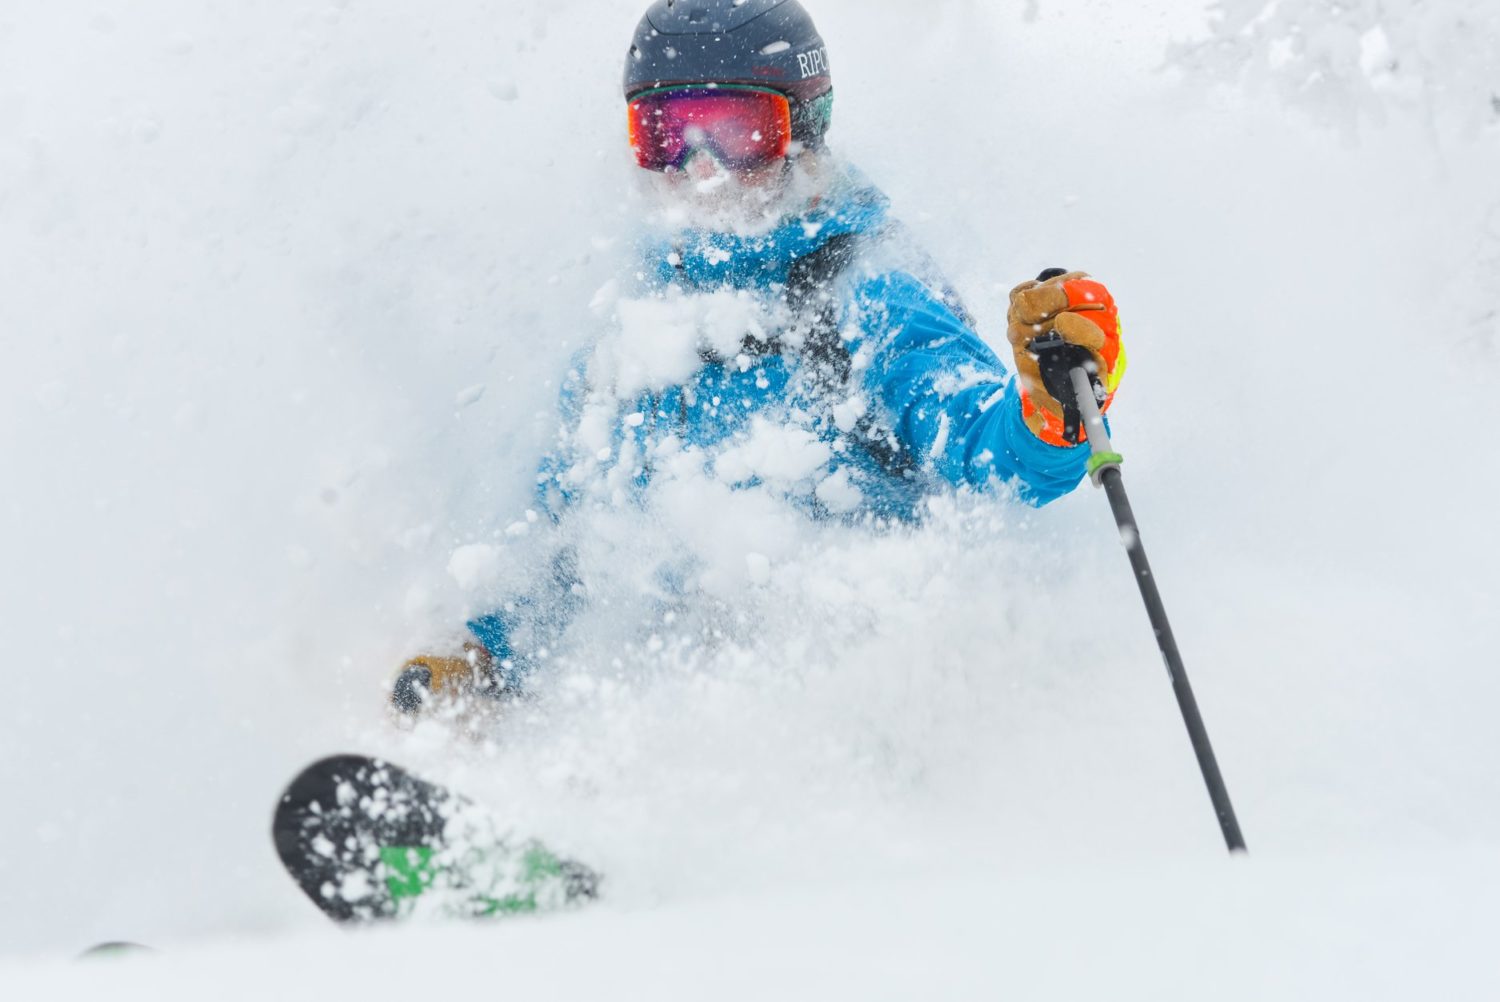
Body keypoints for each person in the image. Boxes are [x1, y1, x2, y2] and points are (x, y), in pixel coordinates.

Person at [391, 0, 1126, 714]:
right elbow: (572, 543)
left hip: (859, 702)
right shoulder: (637, 326)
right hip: (674, 717)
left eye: (736, 132)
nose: (700, 168)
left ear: (803, 130)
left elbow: (987, 456)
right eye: (666, 133)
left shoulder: (867, 289)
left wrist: (1051, 408)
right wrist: (490, 657)